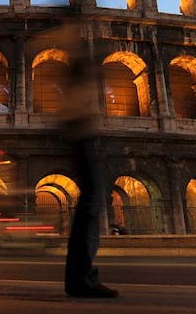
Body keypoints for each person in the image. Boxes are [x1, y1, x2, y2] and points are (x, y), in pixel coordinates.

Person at [46, 17, 119, 299]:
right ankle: (82, 279)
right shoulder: (76, 57)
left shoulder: (76, 56)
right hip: (80, 133)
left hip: (80, 132)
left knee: (90, 203)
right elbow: (73, 99)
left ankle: (80, 278)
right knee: (90, 204)